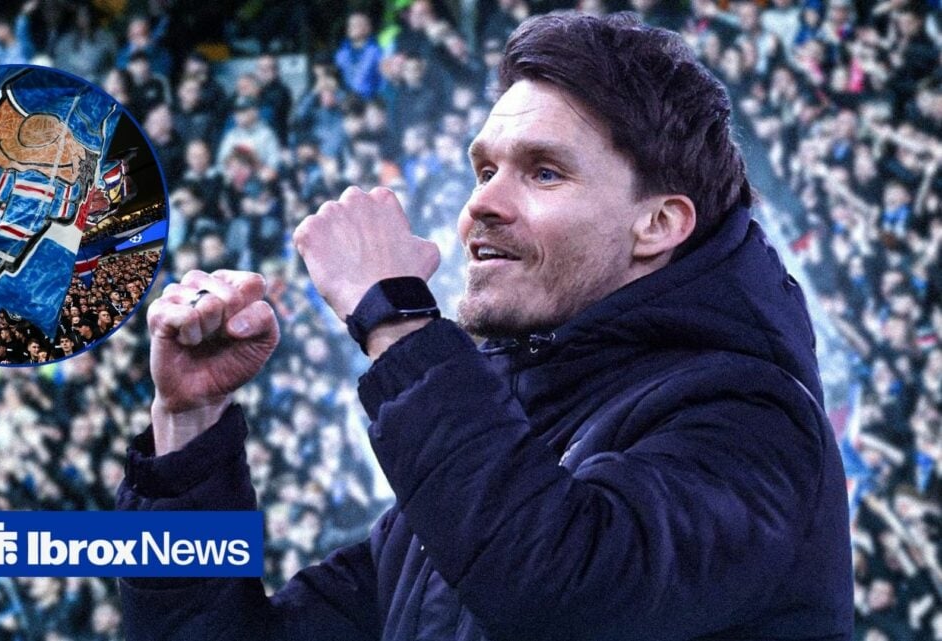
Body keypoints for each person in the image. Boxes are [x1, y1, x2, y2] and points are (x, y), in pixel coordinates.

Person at [118, 13, 853, 641]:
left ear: (658, 223)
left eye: (543, 172)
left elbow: (562, 587)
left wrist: (393, 315)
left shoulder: (754, 418)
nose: (482, 205)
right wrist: (190, 428)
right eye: (482, 170)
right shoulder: (495, 451)